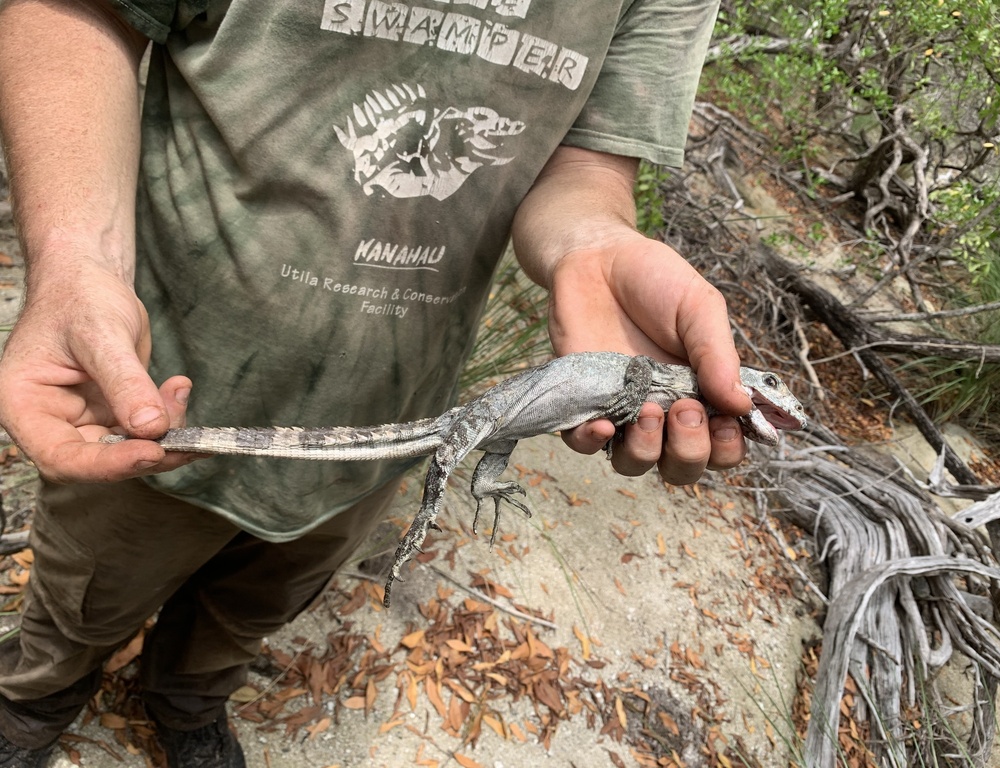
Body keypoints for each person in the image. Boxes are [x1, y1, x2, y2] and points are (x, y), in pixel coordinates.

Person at [0, 0, 752, 764]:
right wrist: (75, 258)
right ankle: (35, 701)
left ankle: (186, 696)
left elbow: (586, 163)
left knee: (261, 596)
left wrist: (594, 239)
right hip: (159, 380)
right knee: (88, 597)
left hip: (396, 403)